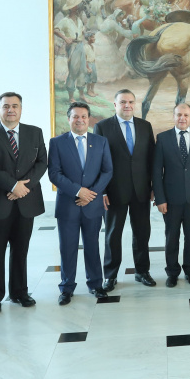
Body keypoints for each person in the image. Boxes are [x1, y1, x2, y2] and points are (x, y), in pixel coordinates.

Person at [0, 92, 47, 314]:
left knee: (21, 250)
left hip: (26, 201)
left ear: (21, 109)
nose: (10, 110)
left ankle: (20, 292)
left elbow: (42, 162)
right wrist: (12, 186)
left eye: (15, 106)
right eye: (6, 106)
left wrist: (22, 188)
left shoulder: (34, 132)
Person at [48, 102, 113, 304]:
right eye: (75, 116)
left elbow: (107, 170)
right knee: (67, 248)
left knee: (92, 246)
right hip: (68, 205)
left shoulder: (100, 141)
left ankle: (96, 284)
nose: (80, 120)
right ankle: (66, 288)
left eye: (84, 116)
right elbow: (54, 174)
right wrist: (78, 191)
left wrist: (90, 193)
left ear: (88, 119)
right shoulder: (57, 142)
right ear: (69, 119)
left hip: (92, 205)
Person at [93, 90, 156, 291]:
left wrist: (154, 186)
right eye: (123, 102)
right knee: (112, 235)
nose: (127, 105)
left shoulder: (145, 126)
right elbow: (97, 162)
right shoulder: (102, 127)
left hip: (141, 190)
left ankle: (142, 271)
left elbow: (152, 159)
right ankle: (110, 276)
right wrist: (101, 191)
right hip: (113, 192)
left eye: (130, 102)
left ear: (134, 104)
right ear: (115, 104)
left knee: (142, 232)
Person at [152, 104, 190, 287]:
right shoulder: (162, 138)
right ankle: (172, 272)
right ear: (173, 116)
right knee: (172, 237)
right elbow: (156, 172)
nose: (182, 118)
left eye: (186, 115)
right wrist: (160, 199)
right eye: (179, 114)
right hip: (170, 200)